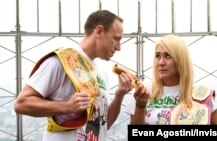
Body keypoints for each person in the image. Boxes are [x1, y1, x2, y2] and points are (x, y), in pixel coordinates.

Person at [14, 10, 135, 141]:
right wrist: (67, 106)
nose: (119, 47)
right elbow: (21, 103)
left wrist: (119, 95)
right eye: (116, 38)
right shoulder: (62, 60)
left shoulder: (102, 72)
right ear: (99, 31)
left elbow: (103, 126)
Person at [125, 35, 217, 125]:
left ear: (181, 60)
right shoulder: (143, 92)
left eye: (168, 56)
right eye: (157, 56)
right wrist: (140, 105)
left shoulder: (201, 96)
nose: (161, 62)